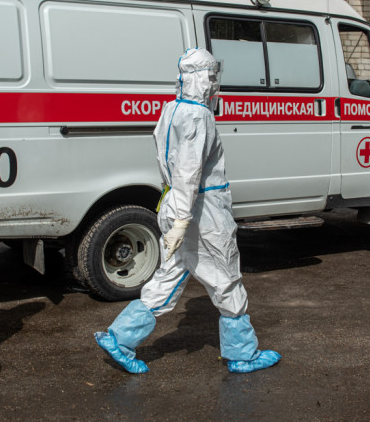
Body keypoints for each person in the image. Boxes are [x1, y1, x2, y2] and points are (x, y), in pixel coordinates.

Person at [94, 48, 281, 374]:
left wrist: (176, 216)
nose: (215, 83)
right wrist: (183, 219)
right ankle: (242, 354)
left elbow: (169, 162)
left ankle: (120, 338)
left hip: (175, 203)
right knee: (225, 277)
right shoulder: (198, 116)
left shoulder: (172, 109)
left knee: (169, 275)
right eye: (212, 76)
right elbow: (188, 172)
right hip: (201, 211)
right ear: (204, 78)